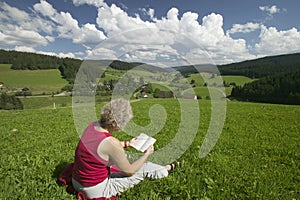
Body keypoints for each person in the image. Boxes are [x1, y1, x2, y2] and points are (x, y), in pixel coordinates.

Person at [72, 98, 180, 199]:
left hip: (77, 181)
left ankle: (164, 168)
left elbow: (99, 145)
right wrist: (147, 154)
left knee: (122, 162)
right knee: (143, 167)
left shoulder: (92, 125)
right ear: (116, 124)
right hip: (96, 190)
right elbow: (129, 172)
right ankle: (166, 169)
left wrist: (127, 143)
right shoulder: (112, 143)